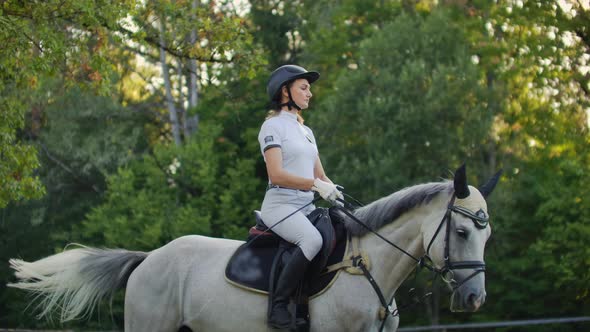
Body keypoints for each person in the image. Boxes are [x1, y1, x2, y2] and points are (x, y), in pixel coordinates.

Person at [258, 64, 343, 329]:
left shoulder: (307, 132)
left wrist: (338, 194)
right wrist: (316, 186)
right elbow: (277, 175)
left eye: (309, 89)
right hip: (280, 205)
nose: (310, 94)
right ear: (286, 92)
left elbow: (321, 174)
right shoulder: (272, 127)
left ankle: (308, 303)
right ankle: (279, 307)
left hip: (306, 208)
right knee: (312, 240)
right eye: (304, 88)